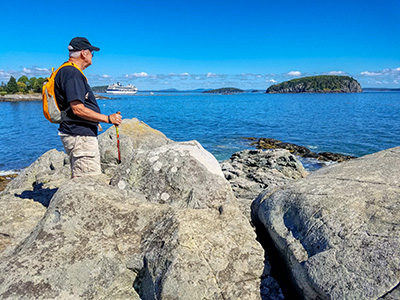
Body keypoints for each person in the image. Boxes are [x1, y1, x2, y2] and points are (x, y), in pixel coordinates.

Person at [55, 37, 122, 178]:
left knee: (81, 176)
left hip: (77, 133)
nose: (92, 56)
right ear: (84, 53)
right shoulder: (72, 73)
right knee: (88, 179)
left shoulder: (67, 71)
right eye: (92, 52)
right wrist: (107, 119)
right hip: (80, 136)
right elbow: (77, 108)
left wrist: (94, 120)